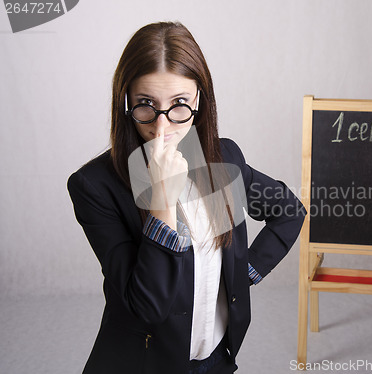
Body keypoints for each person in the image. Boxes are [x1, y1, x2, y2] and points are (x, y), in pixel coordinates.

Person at [67, 21, 305, 374]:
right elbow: (147, 305)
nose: (162, 129)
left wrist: (244, 271)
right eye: (146, 105)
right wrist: (162, 203)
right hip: (144, 364)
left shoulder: (223, 159)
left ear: (199, 99)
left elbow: (289, 210)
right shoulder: (95, 185)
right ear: (126, 101)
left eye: (179, 105)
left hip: (218, 361)